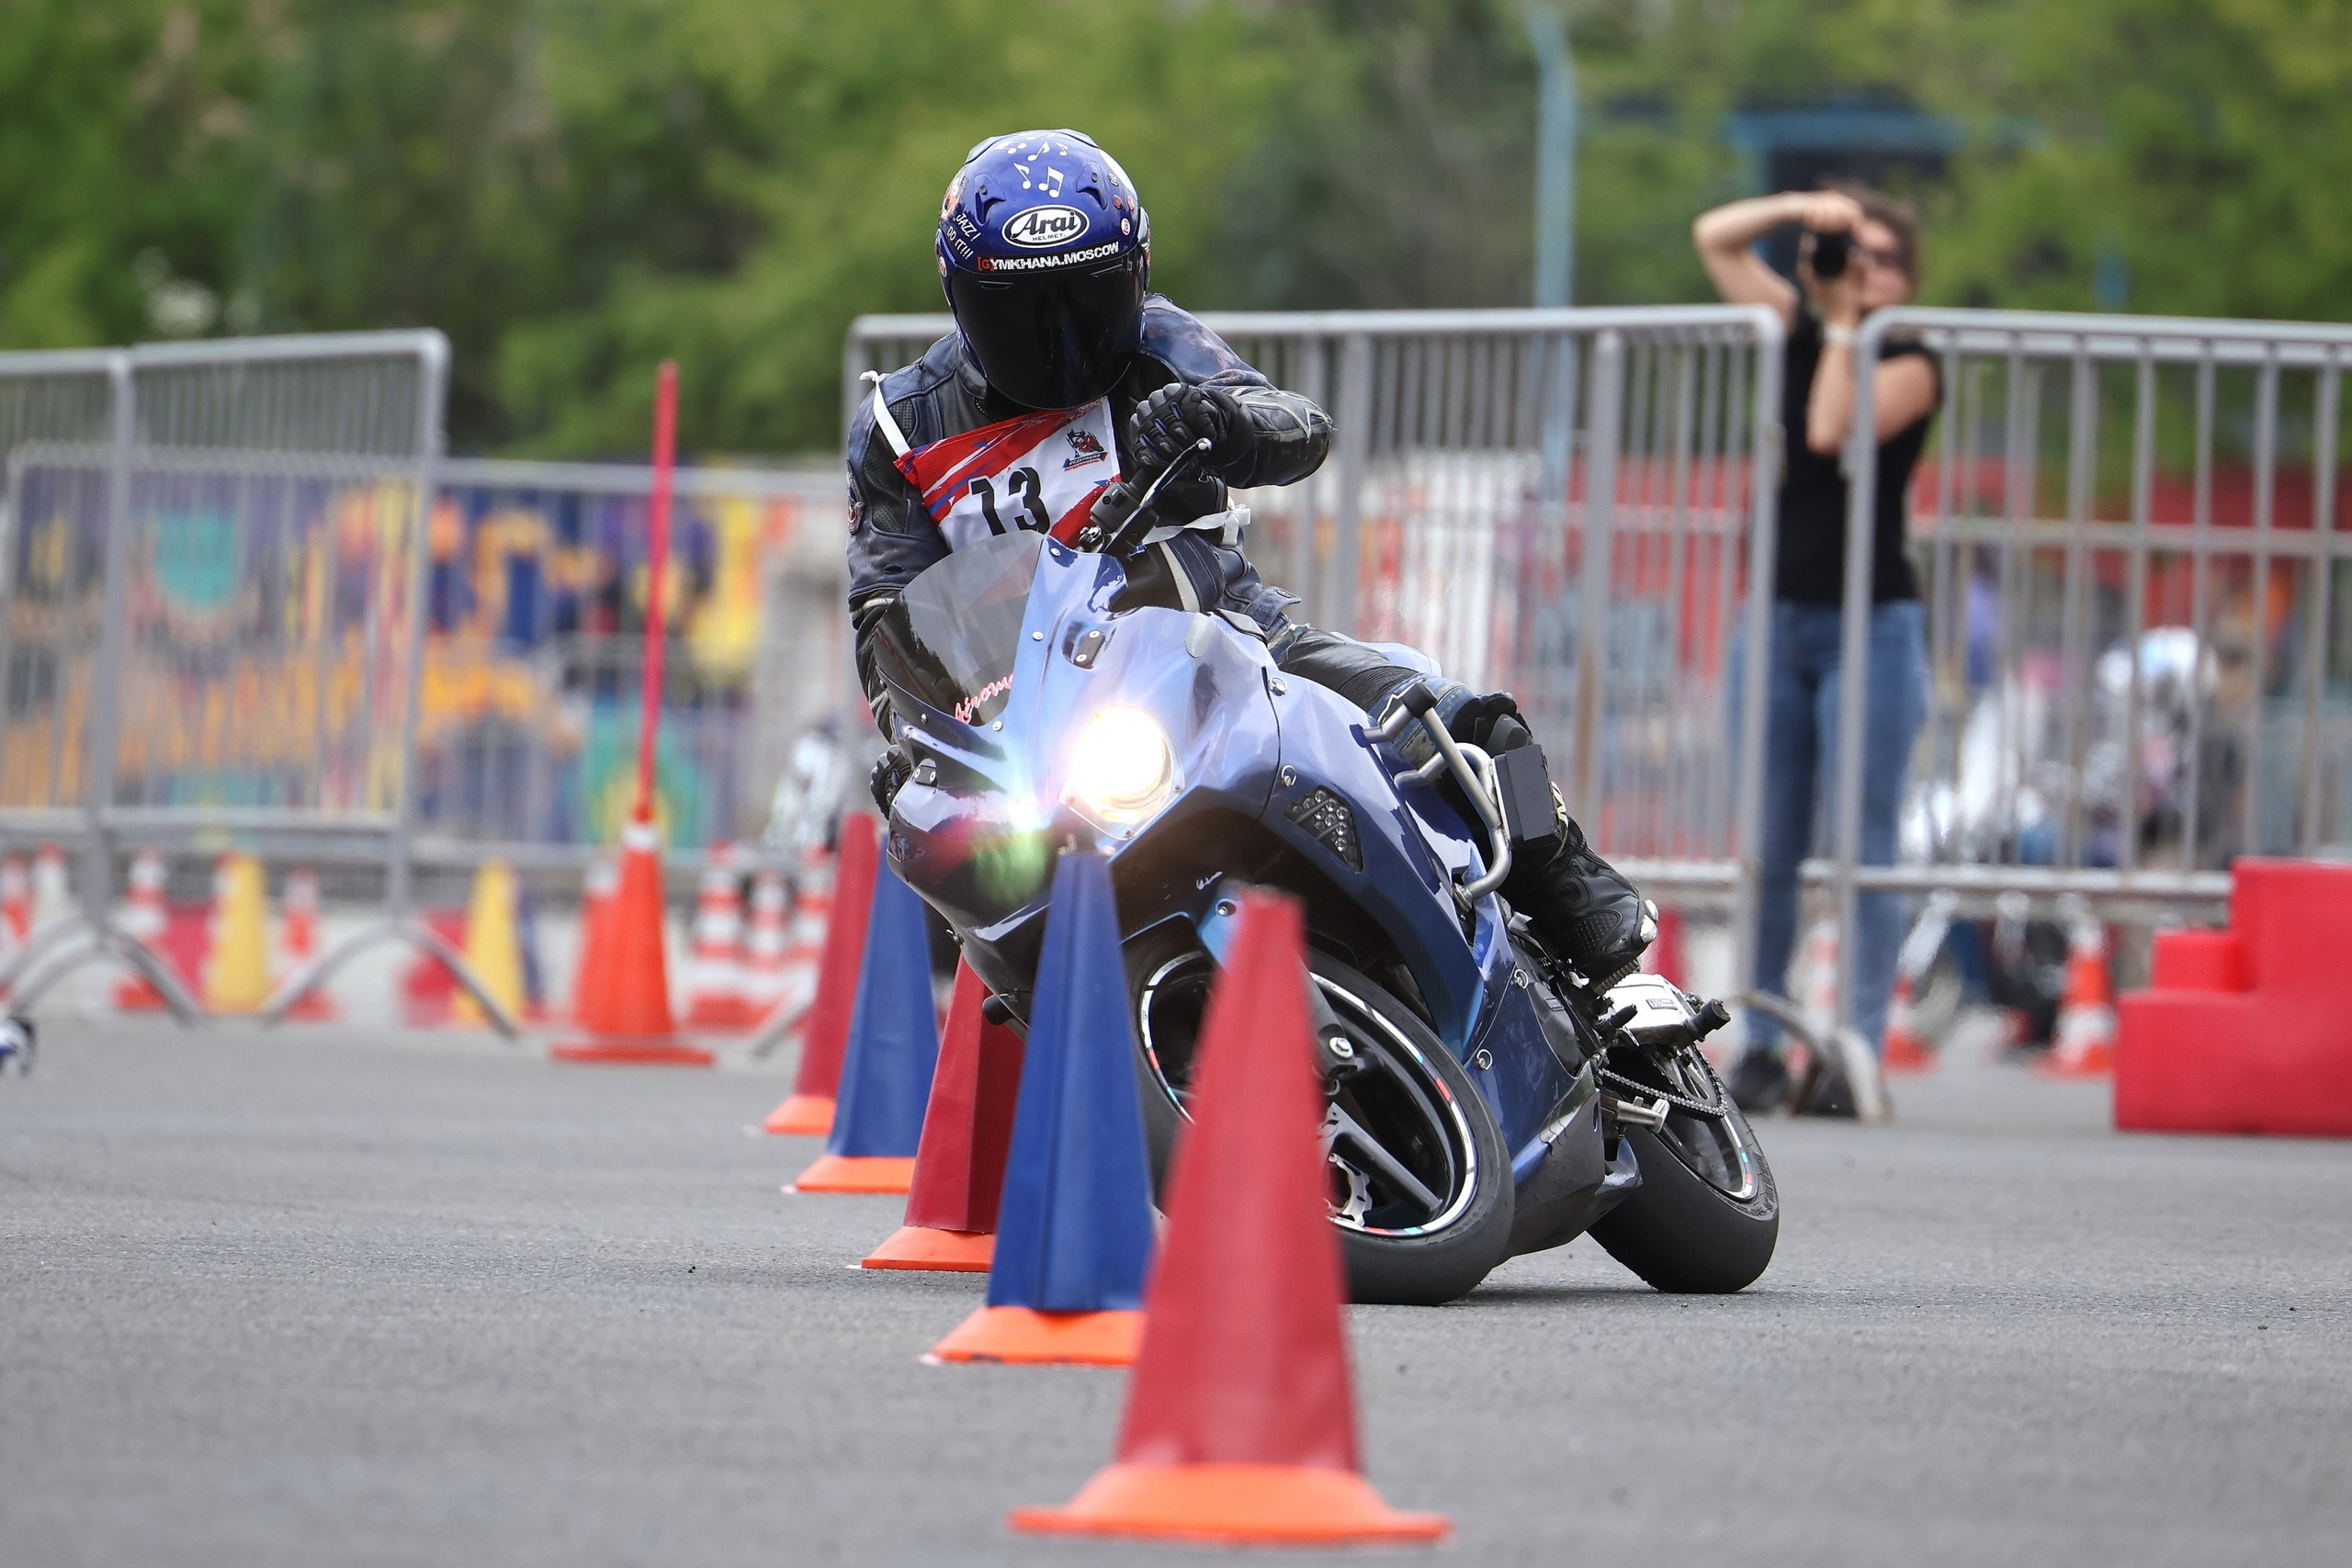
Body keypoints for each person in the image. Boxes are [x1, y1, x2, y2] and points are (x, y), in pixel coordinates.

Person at [846, 129, 1655, 989]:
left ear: (1138, 276)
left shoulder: (1162, 342)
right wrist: (915, 733)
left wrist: (1223, 427)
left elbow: (1298, 428)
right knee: (926, 839)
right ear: (960, 299)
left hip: (1231, 649)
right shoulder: (901, 427)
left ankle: (1594, 925)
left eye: (1089, 303)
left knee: (1467, 725)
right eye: (1021, 314)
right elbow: (884, 619)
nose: (1060, 342)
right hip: (1031, 728)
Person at [1691, 185, 1939, 1112]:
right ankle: (1760, 1038)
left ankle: (1854, 1051)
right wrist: (1804, 208)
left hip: (1869, 624)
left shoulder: (1910, 359)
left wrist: (1842, 323)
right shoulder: (1791, 323)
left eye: (1877, 256)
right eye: (1847, 251)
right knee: (1770, 842)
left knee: (1861, 845)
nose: (1856, 268)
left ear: (1906, 279)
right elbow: (1713, 238)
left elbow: (1831, 431)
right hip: (1778, 617)